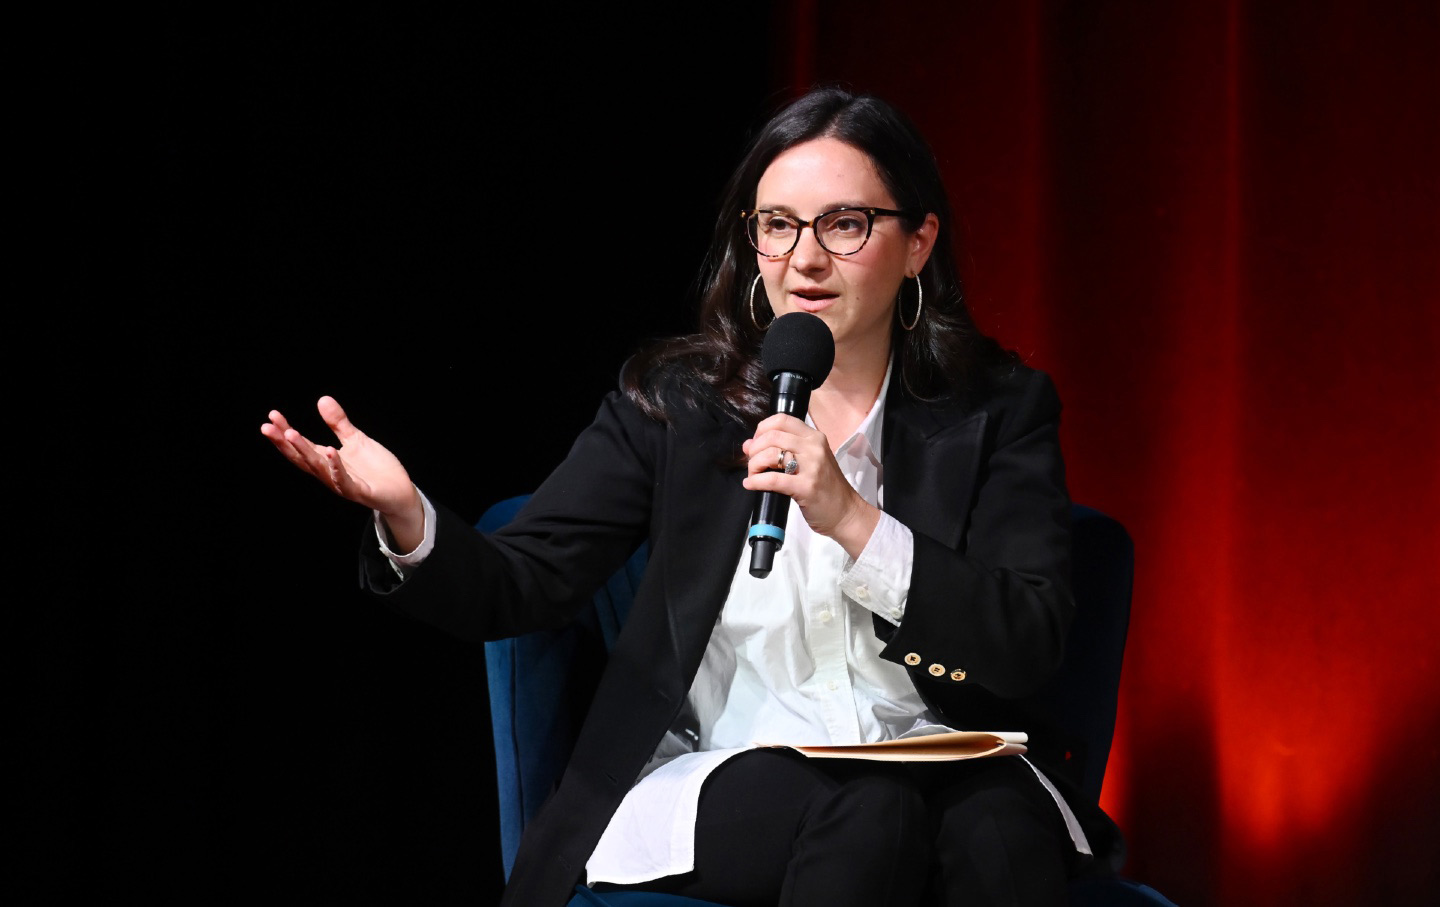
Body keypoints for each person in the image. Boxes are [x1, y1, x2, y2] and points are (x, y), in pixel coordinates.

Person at [262, 87, 1121, 907]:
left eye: (845, 224)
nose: (805, 258)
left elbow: (1028, 640)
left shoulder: (997, 407)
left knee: (999, 828)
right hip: (738, 762)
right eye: (777, 226)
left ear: (919, 242)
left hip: (945, 754)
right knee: (871, 813)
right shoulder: (680, 407)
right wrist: (408, 515)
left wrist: (854, 521)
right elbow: (523, 580)